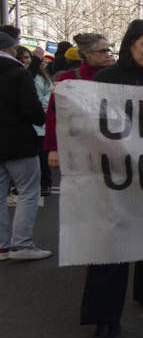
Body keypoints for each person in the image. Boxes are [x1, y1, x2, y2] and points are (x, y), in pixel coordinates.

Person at [79, 21, 143, 338]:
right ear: (130, 45)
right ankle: (105, 318)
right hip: (114, 176)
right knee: (111, 243)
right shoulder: (106, 79)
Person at [0, 31, 51, 261]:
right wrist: (42, 118)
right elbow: (32, 110)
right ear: (11, 48)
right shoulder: (18, 73)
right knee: (28, 191)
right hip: (18, 141)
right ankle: (21, 244)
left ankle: (2, 246)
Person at [44, 34, 115, 171]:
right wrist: (54, 149)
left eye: (108, 50)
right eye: (102, 51)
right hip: (79, 147)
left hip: (111, 146)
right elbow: (54, 115)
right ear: (87, 54)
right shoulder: (68, 79)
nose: (107, 54)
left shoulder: (117, 76)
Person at [17, 47, 54, 195]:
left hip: (40, 124)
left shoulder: (41, 76)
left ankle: (45, 183)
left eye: (27, 57)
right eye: (21, 58)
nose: (25, 61)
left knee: (42, 157)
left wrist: (40, 103)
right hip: (25, 125)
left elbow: (51, 94)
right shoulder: (16, 76)